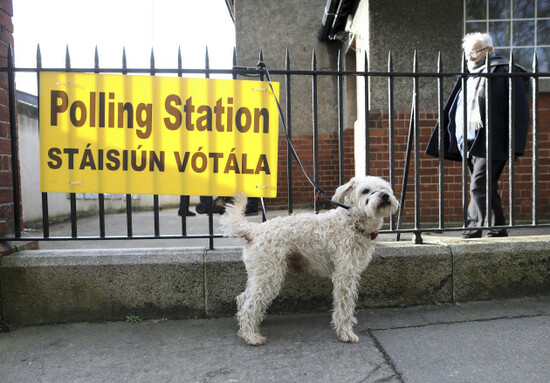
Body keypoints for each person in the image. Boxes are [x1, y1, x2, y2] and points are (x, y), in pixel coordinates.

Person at [425, 32, 529, 239]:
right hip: (470, 141)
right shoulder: (469, 75)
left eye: (474, 52)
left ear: (489, 50)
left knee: (478, 185)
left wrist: (515, 142)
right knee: (486, 187)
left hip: (493, 141)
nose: (470, 57)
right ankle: (497, 230)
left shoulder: (505, 71)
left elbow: (519, 109)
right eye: (467, 53)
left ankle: (472, 229)